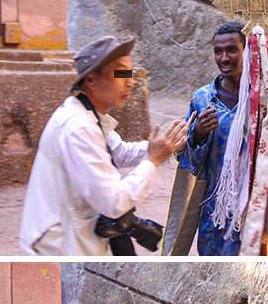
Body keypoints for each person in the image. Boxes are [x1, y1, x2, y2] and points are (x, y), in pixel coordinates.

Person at [20, 35, 194, 256]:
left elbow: (119, 152)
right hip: (57, 244)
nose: (129, 81)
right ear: (91, 80)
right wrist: (153, 160)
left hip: (73, 235)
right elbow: (115, 201)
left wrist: (164, 146)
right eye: (120, 73)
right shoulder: (79, 127)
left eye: (129, 73)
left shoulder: (88, 114)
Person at [174, 21, 268, 255]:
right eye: (218, 51)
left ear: (248, 51)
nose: (224, 58)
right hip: (218, 209)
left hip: (262, 206)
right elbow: (186, 160)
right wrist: (198, 134)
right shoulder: (204, 99)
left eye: (232, 50)